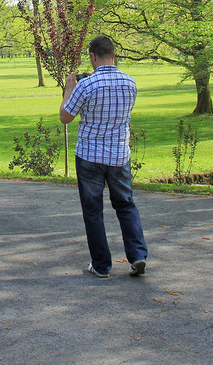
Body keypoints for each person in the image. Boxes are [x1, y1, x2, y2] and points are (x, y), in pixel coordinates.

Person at [60, 35, 148, 278]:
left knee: (93, 211)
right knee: (126, 205)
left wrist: (69, 88)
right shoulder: (130, 83)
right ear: (114, 55)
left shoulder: (86, 86)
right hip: (119, 154)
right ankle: (137, 254)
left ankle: (101, 265)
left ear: (93, 56)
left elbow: (66, 116)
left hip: (90, 155)